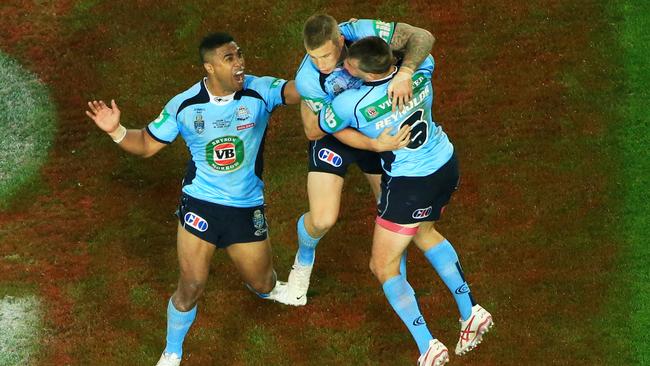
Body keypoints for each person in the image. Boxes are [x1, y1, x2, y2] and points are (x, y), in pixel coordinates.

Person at [85, 32, 300, 366]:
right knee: (191, 286)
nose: (240, 63)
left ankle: (268, 287)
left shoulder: (261, 90)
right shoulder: (184, 105)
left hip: (246, 208)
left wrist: (323, 67)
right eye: (230, 59)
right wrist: (116, 130)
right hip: (201, 205)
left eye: (240, 55)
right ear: (210, 68)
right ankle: (173, 350)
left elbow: (294, 91)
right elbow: (146, 144)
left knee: (264, 283)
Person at [306, 36, 494, 366]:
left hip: (411, 185)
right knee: (424, 233)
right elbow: (422, 46)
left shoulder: (351, 102)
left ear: (366, 74)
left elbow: (321, 128)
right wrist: (404, 70)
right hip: (445, 165)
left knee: (382, 265)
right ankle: (470, 311)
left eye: (350, 64)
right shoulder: (421, 71)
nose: (344, 66)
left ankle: (428, 345)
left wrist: (374, 143)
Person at [284, 14, 435, 306]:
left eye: (326, 55)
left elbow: (423, 36)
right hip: (338, 134)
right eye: (313, 57)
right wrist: (372, 144)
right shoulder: (307, 78)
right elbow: (316, 129)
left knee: (393, 213)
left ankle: (397, 284)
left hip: (376, 127)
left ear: (341, 39)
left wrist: (405, 74)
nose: (322, 65)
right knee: (322, 218)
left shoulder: (362, 31)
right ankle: (304, 258)